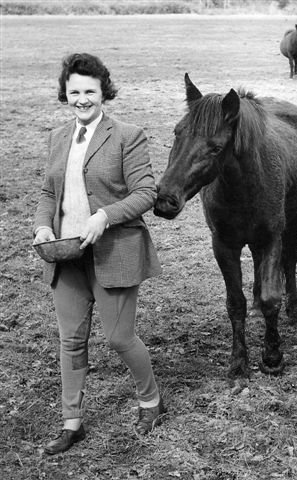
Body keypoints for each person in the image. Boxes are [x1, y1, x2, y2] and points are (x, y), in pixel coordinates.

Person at [33, 53, 165, 455]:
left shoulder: (128, 134)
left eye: (89, 91)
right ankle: (72, 424)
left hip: (114, 253)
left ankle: (151, 402)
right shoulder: (57, 137)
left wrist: (104, 216)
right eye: (74, 91)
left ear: (103, 92)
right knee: (70, 340)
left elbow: (146, 193)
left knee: (120, 338)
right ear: (65, 93)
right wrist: (42, 226)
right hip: (66, 255)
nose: (82, 99)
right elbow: (48, 193)